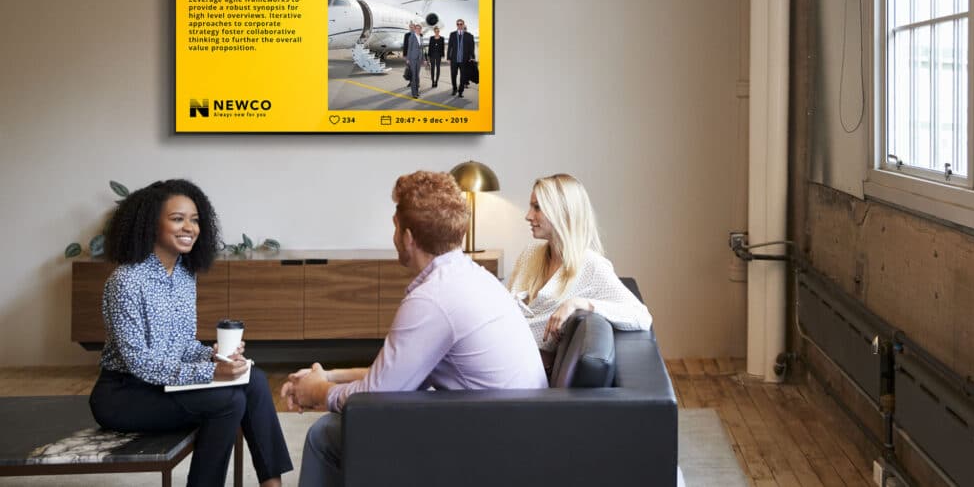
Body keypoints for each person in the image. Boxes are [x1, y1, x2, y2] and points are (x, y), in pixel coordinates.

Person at [282, 171, 546, 486]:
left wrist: (318, 392)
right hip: (516, 427)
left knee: (325, 434)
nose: (393, 237)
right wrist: (330, 376)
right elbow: (396, 373)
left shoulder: (433, 299)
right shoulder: (469, 276)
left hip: (492, 442)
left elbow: (375, 398)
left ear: (408, 237)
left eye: (395, 228)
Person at [88, 179, 292, 487]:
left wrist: (215, 356)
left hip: (166, 385)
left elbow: (182, 344)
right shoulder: (126, 281)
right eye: (177, 219)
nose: (190, 227)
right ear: (151, 224)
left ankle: (272, 484)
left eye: (195, 220)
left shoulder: (183, 274)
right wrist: (211, 372)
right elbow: (140, 363)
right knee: (228, 401)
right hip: (125, 394)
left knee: (255, 379)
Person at [507, 173, 653, 371]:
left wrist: (579, 303)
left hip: (523, 371)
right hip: (500, 350)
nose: (528, 216)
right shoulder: (530, 254)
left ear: (563, 212)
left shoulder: (591, 266)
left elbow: (641, 317)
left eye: (537, 208)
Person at [446, 19, 475, 97]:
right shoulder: (452, 34)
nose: (459, 25)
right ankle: (454, 89)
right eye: (458, 24)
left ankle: (460, 91)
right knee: (453, 75)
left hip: (464, 60)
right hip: (454, 59)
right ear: (456, 25)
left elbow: (471, 48)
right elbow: (450, 47)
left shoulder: (469, 35)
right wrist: (448, 57)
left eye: (461, 24)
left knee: (463, 76)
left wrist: (472, 57)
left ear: (463, 24)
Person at [405, 23, 423, 98]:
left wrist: (424, 59)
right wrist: (408, 59)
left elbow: (421, 49)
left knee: (417, 76)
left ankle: (417, 91)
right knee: (413, 76)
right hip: (412, 59)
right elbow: (409, 48)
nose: (418, 30)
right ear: (415, 29)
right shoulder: (412, 36)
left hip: (419, 59)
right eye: (417, 28)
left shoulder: (421, 37)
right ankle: (414, 93)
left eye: (419, 28)